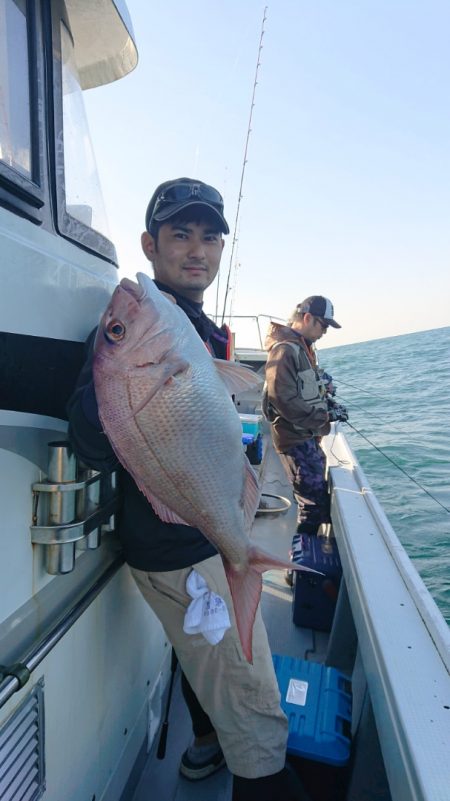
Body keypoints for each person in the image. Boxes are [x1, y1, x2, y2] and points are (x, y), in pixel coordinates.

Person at [67, 178, 309, 801]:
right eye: (180, 235)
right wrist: (121, 388)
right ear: (150, 245)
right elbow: (94, 441)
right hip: (183, 560)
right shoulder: (129, 336)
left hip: (200, 531)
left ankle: (206, 744)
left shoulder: (191, 324)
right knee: (255, 708)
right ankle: (262, 778)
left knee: (219, 676)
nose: (197, 249)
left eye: (209, 236)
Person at [262, 297, 344, 548]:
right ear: (307, 318)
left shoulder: (302, 347)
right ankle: (297, 567)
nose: (324, 332)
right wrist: (325, 416)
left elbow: (302, 388)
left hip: (305, 436)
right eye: (323, 325)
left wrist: (324, 393)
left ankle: (307, 557)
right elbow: (283, 399)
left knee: (316, 496)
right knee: (310, 504)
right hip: (294, 440)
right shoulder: (286, 350)